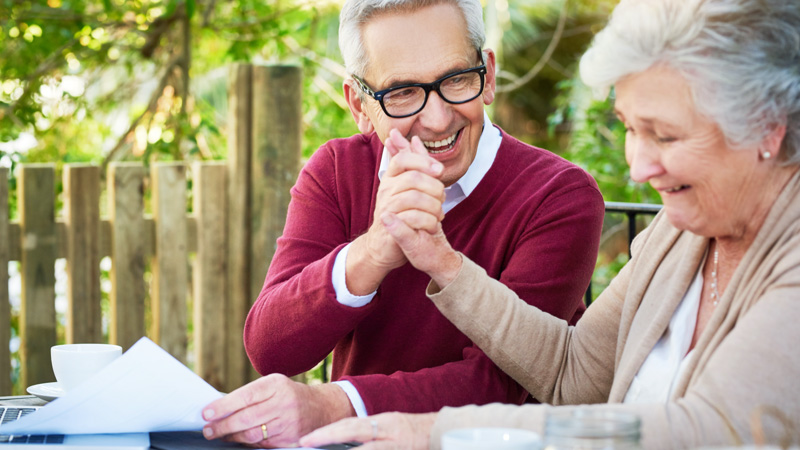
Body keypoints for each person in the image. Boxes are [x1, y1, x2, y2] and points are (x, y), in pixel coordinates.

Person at [297, 0, 800, 448]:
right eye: (629, 128)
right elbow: (572, 374)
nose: (638, 167)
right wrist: (442, 262)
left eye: (664, 136)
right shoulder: (681, 234)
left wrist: (434, 433)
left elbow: (707, 430)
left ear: (767, 129)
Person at [201, 0, 604, 447]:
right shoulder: (337, 171)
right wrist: (373, 252)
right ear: (359, 104)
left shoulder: (559, 195)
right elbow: (271, 348)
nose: (437, 119)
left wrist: (332, 404)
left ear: (488, 76)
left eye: (456, 80)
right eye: (402, 93)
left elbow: (501, 385)